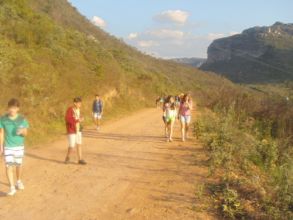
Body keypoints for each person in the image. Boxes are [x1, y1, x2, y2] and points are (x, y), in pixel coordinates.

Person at [0, 99, 29, 196]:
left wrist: (22, 131)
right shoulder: (3, 119)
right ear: (8, 108)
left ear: (18, 109)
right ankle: (12, 187)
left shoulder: (22, 119)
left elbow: (26, 133)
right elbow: (1, 133)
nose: (12, 110)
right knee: (9, 166)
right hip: (8, 146)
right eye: (10, 108)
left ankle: (19, 181)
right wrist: (1, 146)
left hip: (19, 146)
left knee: (18, 165)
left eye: (14, 108)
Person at [64, 97, 86, 165]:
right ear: (75, 103)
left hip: (78, 129)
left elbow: (77, 118)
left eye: (80, 103)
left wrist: (81, 119)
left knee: (79, 144)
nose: (80, 104)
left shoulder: (78, 110)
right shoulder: (70, 110)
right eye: (79, 103)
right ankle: (67, 157)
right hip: (72, 130)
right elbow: (68, 119)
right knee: (72, 145)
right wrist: (78, 120)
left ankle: (80, 159)